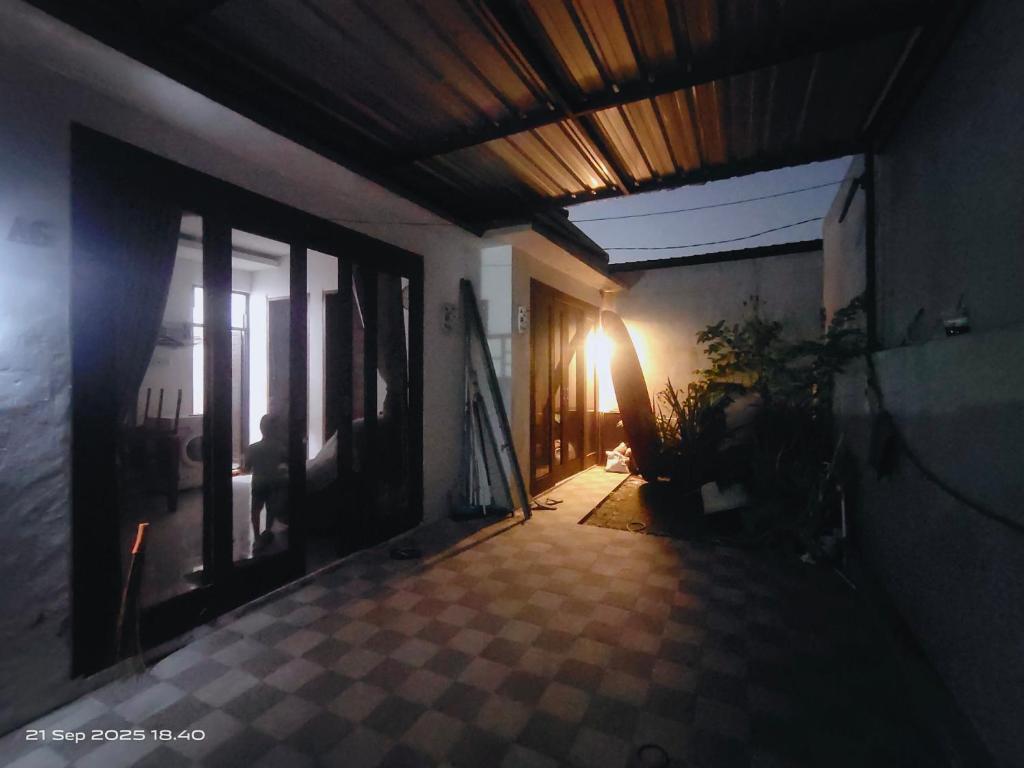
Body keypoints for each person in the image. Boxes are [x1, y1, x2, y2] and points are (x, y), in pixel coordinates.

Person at [246, 414, 288, 552]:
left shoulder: (253, 448)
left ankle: (257, 537)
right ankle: (268, 531)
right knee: (271, 508)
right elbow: (285, 465)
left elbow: (247, 468)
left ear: (261, 429)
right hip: (273, 482)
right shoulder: (281, 448)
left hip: (258, 483)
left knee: (255, 510)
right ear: (276, 430)